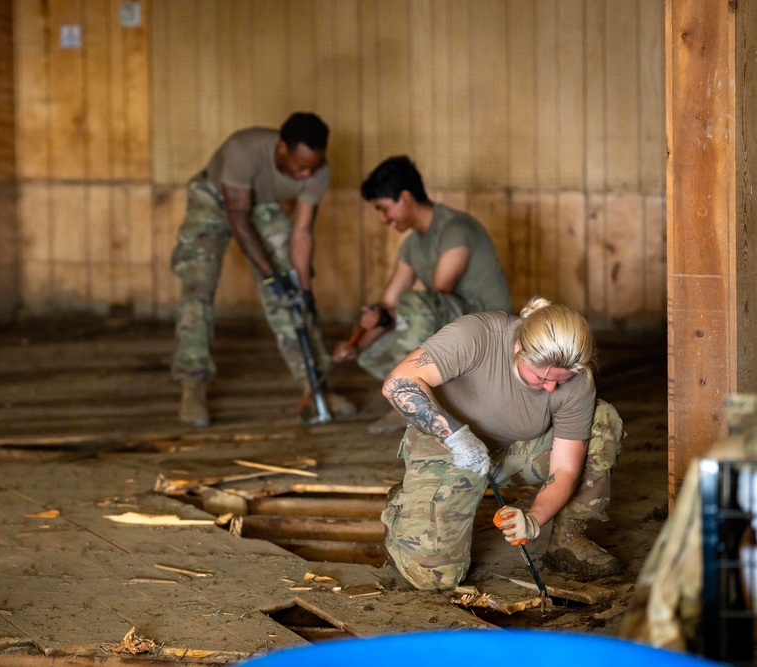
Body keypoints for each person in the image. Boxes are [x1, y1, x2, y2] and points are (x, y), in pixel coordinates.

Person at [378, 296, 625, 591]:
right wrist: (455, 436)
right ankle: (404, 510)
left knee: (603, 419)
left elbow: (566, 469)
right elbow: (398, 382)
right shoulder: (478, 335)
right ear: (519, 347)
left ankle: (568, 539)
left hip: (513, 451)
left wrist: (534, 520)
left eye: (559, 381)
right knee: (435, 577)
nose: (550, 388)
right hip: (446, 446)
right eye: (540, 377)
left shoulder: (578, 380)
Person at [171, 112, 356, 426]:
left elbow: (302, 232)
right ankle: (193, 386)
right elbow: (239, 221)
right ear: (281, 149)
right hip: (214, 200)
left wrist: (302, 289)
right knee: (197, 290)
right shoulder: (243, 150)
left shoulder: (318, 170)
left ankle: (315, 386)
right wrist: (270, 274)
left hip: (261, 206)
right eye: (300, 167)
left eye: (313, 166)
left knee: (293, 293)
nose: (306, 174)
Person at [332, 156, 511, 435]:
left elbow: (437, 296)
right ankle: (429, 395)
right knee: (371, 350)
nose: (382, 219)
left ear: (404, 198)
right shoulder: (412, 245)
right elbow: (388, 303)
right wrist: (356, 344)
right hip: (451, 321)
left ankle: (408, 400)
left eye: (383, 209)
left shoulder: (455, 229)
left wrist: (385, 316)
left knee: (415, 305)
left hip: (490, 329)